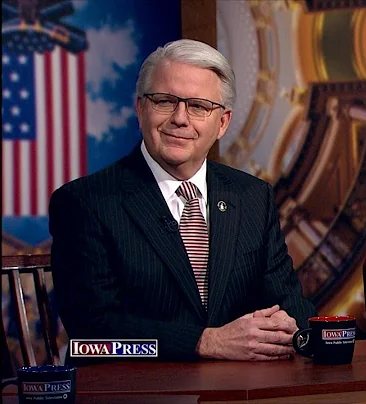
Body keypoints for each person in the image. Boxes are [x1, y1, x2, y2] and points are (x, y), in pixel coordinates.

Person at [49, 39, 316, 363]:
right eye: (164, 101)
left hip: (239, 391)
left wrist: (291, 327)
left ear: (222, 123)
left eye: (199, 106)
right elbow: (91, 339)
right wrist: (204, 342)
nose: (180, 118)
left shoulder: (252, 197)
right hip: (134, 393)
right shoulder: (84, 203)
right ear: (140, 108)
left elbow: (292, 306)